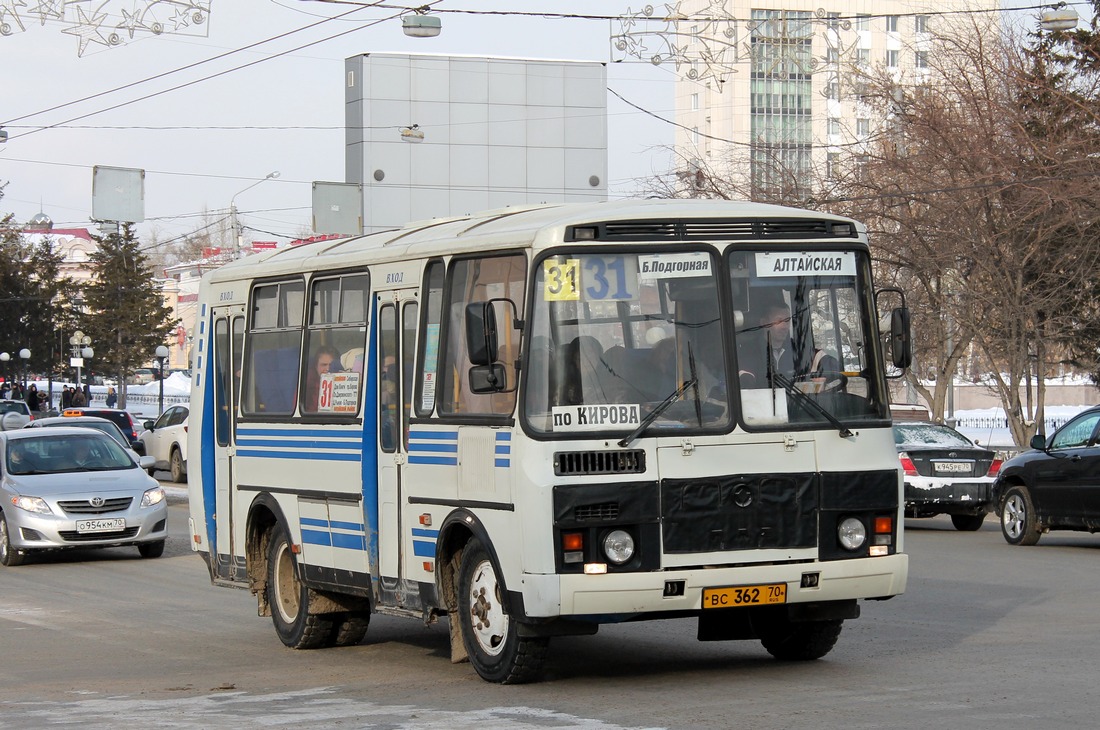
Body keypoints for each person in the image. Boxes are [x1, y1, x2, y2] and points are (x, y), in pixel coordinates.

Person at [304, 345, 341, 412]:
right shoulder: (307, 385)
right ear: (316, 366)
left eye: (332, 365)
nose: (328, 369)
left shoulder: (345, 384)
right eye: (324, 365)